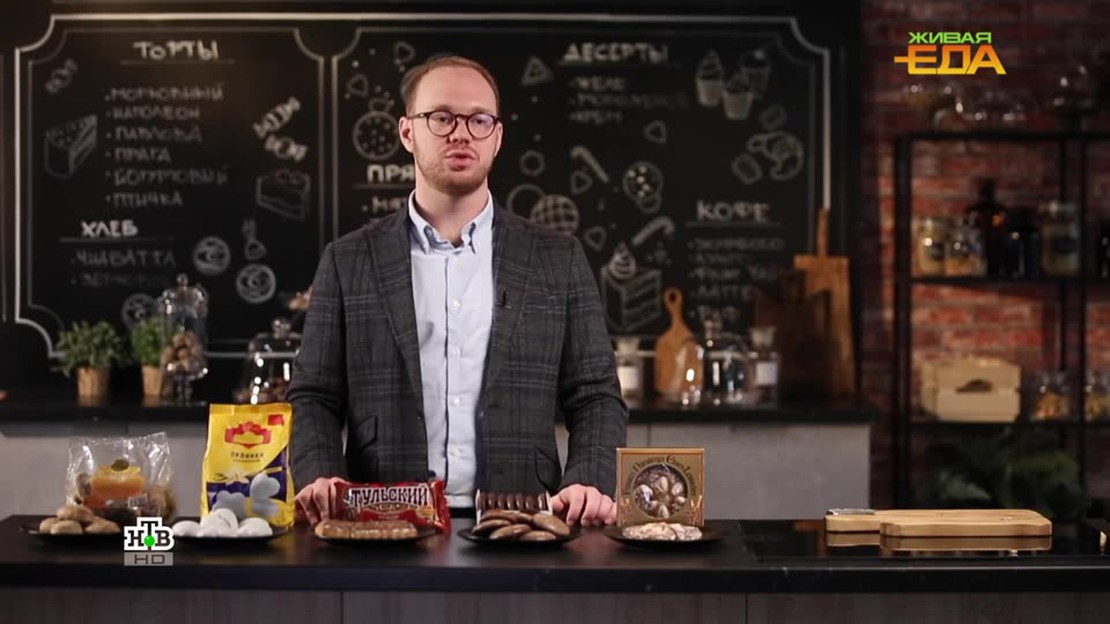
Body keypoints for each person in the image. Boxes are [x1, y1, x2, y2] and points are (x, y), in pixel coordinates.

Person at [288, 55, 627, 528]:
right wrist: (322, 474)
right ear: (408, 132)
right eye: (442, 117)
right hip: (381, 524)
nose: (461, 133)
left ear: (497, 137)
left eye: (479, 120)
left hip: (524, 524)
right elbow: (314, 395)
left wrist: (588, 479)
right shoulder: (349, 260)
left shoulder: (557, 258)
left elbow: (595, 395)